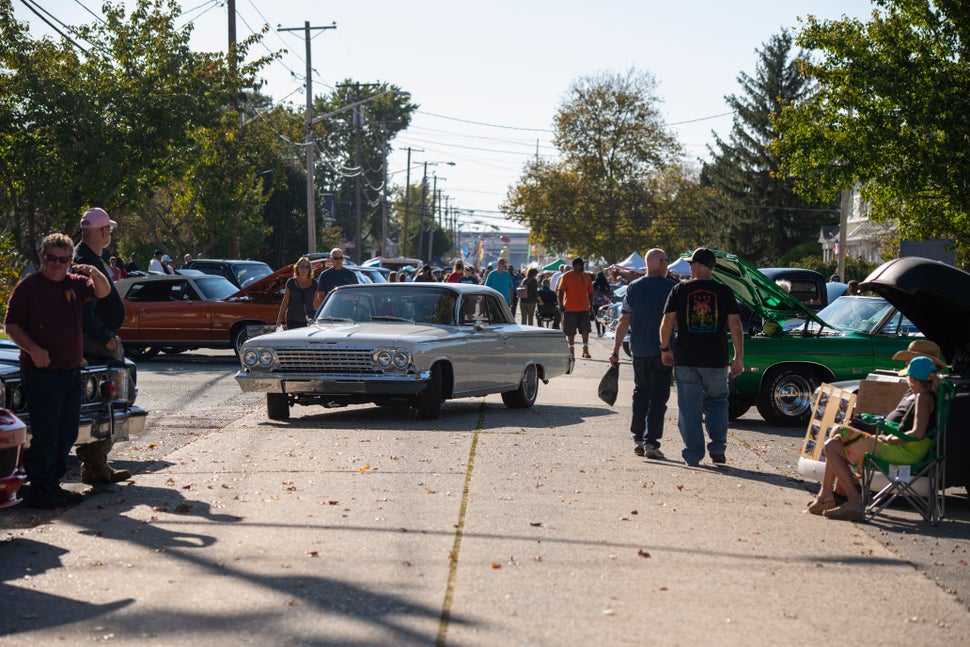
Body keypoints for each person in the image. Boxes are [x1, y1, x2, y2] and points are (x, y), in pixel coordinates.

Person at [4, 233, 111, 508]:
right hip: (41, 375)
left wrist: (93, 270)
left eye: (62, 260)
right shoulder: (28, 288)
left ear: (69, 261)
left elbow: (103, 291)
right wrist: (33, 350)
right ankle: (41, 490)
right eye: (51, 258)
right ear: (43, 257)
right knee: (47, 434)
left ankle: (52, 485)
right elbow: (12, 325)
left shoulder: (75, 284)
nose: (56, 264)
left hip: (71, 373)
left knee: (66, 433)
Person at [807, 355, 940, 521]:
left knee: (832, 445)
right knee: (836, 433)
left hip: (903, 450)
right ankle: (827, 494)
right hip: (902, 447)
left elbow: (918, 433)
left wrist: (892, 439)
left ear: (913, 378)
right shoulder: (924, 394)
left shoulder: (923, 396)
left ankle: (853, 502)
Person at [660, 247, 743, 466]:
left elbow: (667, 321)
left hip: (687, 359)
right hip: (716, 359)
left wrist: (665, 348)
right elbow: (735, 325)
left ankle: (693, 454)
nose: (689, 267)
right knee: (717, 402)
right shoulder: (724, 291)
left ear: (698, 266)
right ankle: (717, 447)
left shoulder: (680, 290)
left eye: (691, 263)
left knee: (689, 407)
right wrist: (738, 357)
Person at [73, 208, 131, 485]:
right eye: (108, 229)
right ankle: (95, 460)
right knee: (115, 398)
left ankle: (97, 465)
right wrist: (105, 336)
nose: (110, 234)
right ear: (103, 232)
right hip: (97, 342)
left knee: (107, 400)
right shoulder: (83, 261)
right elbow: (85, 310)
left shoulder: (89, 258)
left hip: (97, 339)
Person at [610, 249, 676, 459]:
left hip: (638, 350)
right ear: (659, 262)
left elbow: (623, 320)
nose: (667, 265)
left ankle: (638, 437)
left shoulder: (633, 287)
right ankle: (651, 442)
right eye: (666, 261)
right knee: (658, 397)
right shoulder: (672, 288)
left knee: (640, 393)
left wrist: (615, 350)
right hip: (663, 351)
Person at [557, 257, 594, 358]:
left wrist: (591, 306)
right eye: (580, 264)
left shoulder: (586, 277)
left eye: (582, 264)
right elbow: (560, 291)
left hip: (584, 308)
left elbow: (590, 293)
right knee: (570, 331)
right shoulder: (567, 276)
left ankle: (585, 350)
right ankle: (571, 349)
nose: (582, 266)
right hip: (570, 308)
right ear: (574, 266)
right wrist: (560, 304)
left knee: (586, 329)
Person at [277, 256, 318, 329]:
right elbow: (285, 301)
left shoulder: (314, 283)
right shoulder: (291, 282)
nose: (304, 269)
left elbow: (316, 303)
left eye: (307, 267)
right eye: (302, 266)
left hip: (309, 320)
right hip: (292, 319)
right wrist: (279, 318)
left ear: (309, 269)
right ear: (297, 268)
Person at [592, 271, 612, 336]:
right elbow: (609, 293)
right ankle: (603, 331)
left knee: (597, 317)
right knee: (604, 316)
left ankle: (598, 332)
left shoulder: (594, 284)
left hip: (595, 302)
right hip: (604, 303)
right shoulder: (606, 284)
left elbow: (590, 292)